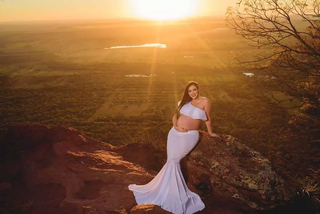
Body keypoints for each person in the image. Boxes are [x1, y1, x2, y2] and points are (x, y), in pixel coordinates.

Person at [128, 81, 221, 214]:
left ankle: (173, 192)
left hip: (190, 135)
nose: (192, 93)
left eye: (194, 90)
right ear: (187, 92)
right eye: (190, 91)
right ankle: (167, 190)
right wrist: (177, 126)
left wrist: (211, 133)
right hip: (174, 133)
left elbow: (207, 119)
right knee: (171, 160)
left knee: (175, 160)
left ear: (198, 89)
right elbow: (174, 116)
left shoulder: (206, 102)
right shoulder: (184, 102)